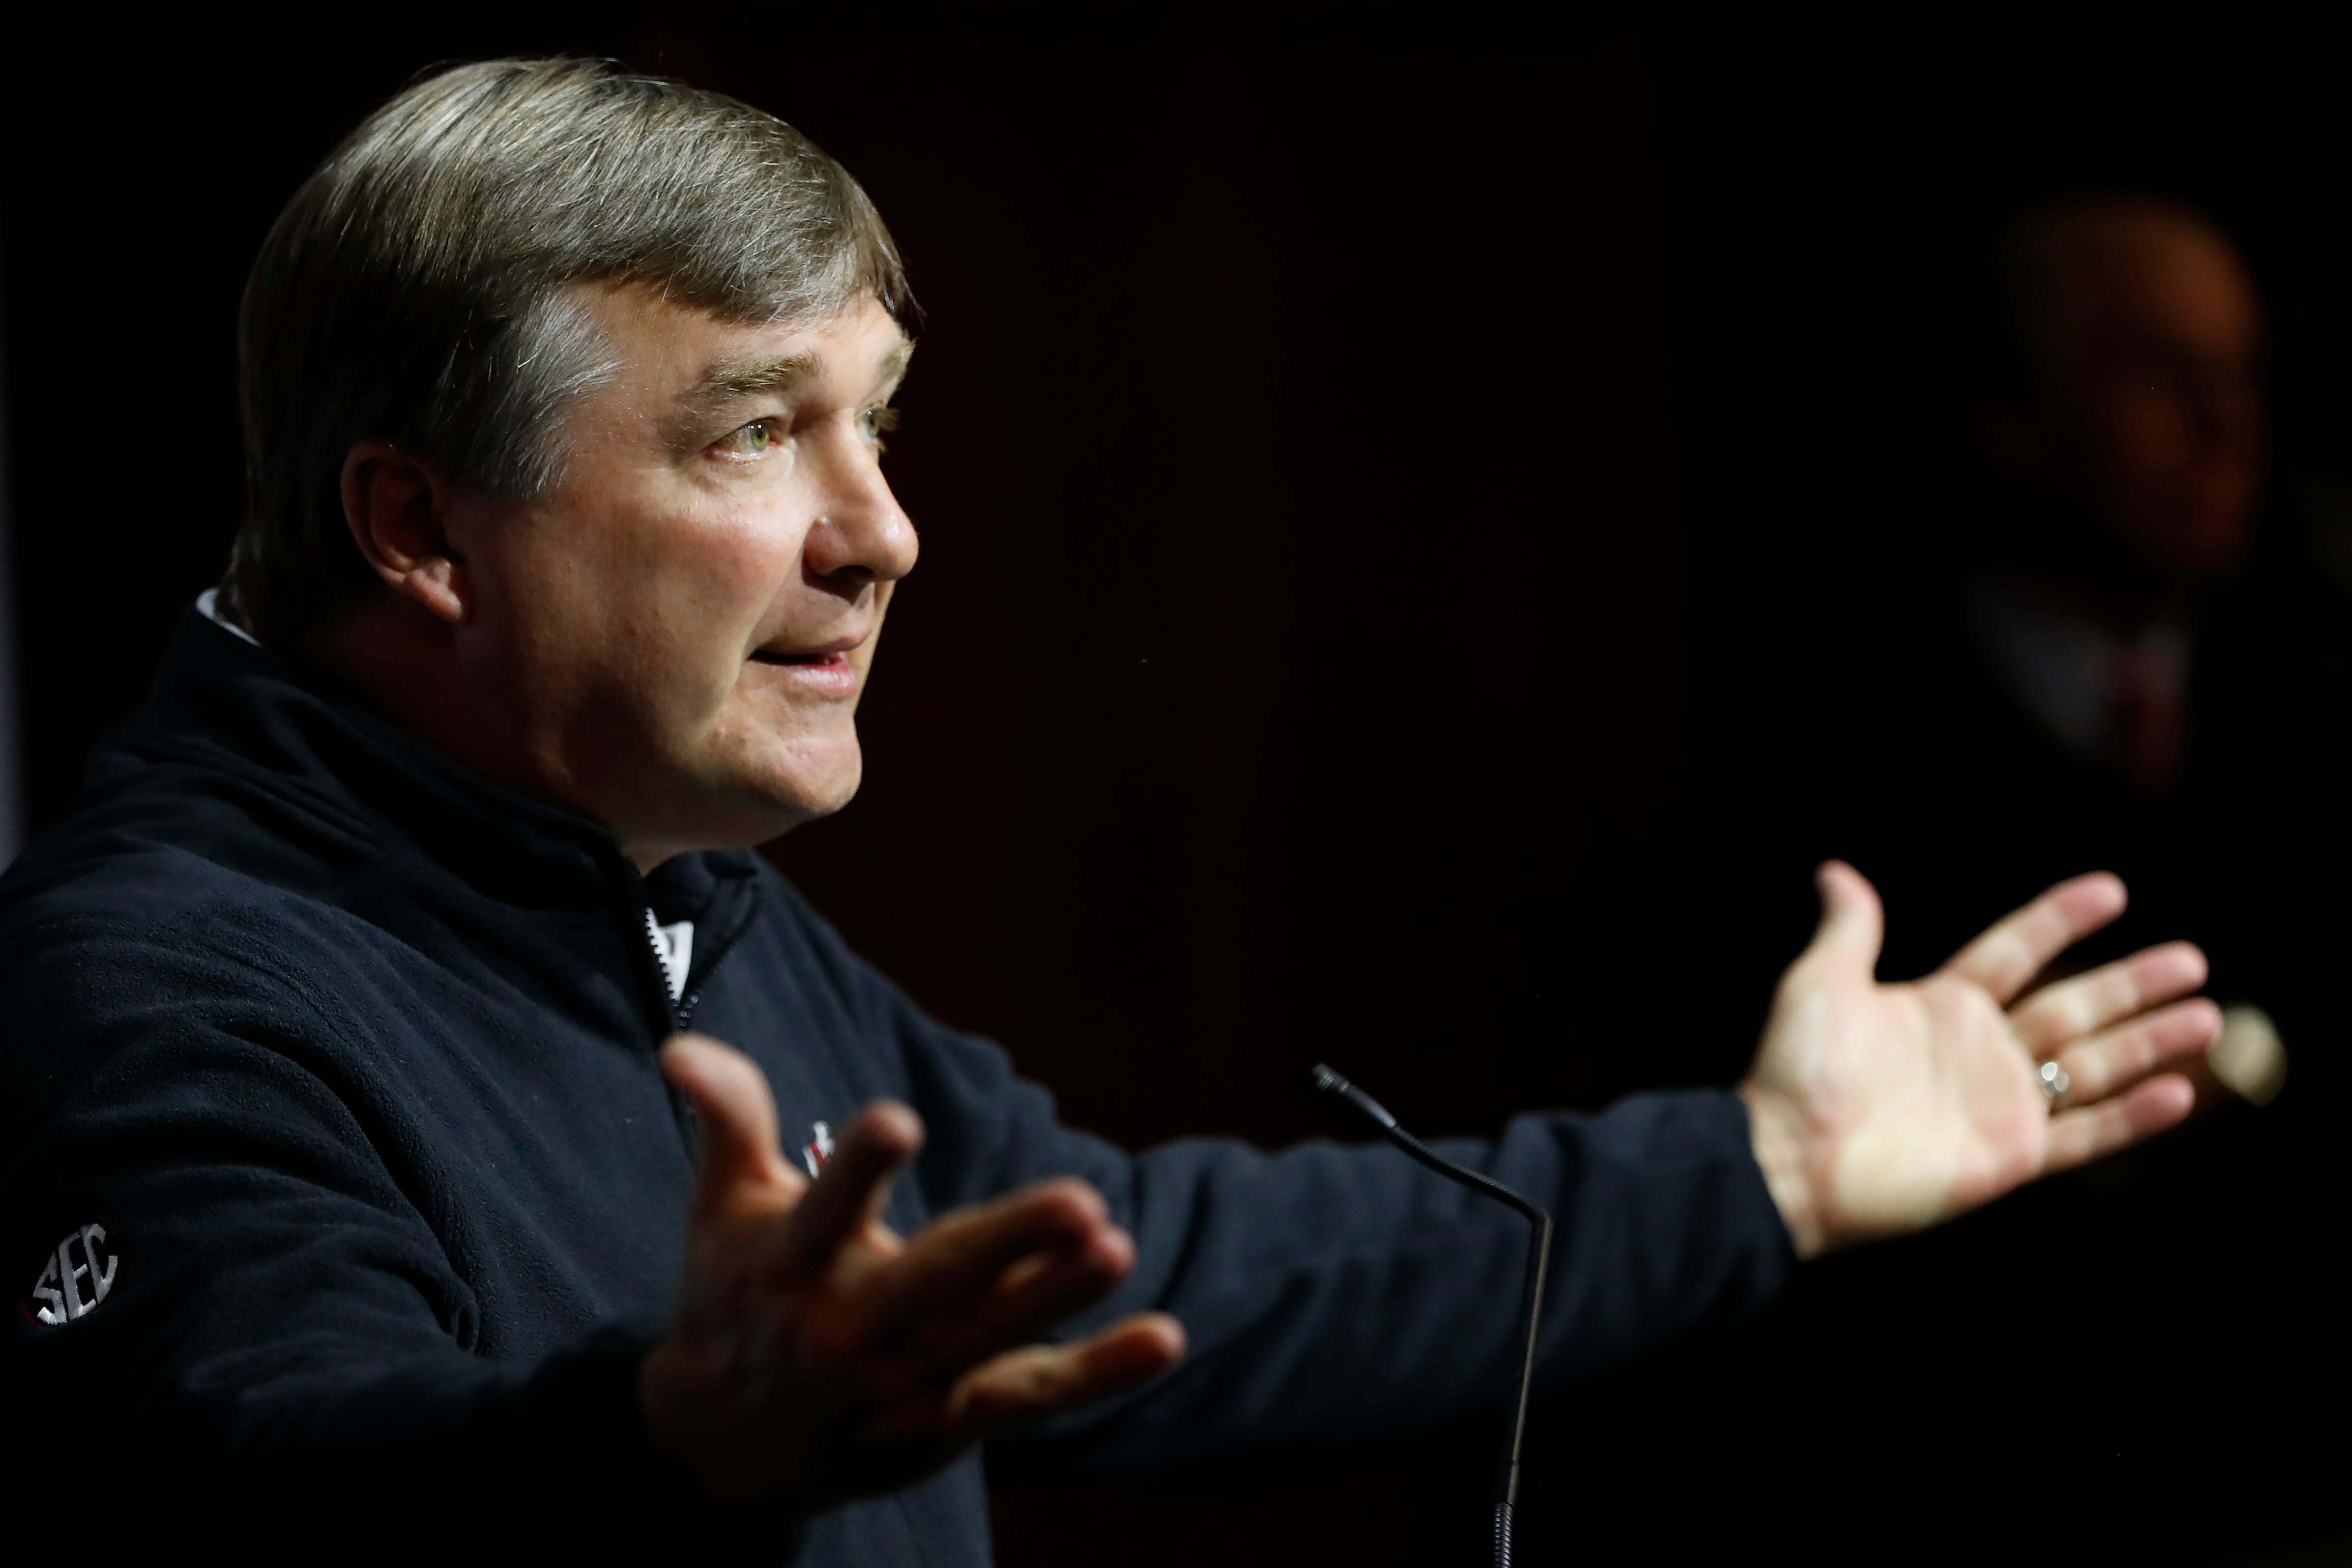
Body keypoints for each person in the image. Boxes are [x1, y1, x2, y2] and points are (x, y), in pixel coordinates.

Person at [0, 61, 2221, 1564]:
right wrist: (665, 1446)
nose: (885, 535)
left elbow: (1161, 1269)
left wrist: (1760, 1169)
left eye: (877, 424)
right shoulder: (153, 985)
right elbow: (257, 1484)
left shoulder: (683, 908)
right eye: (757, 433)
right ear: (420, 525)